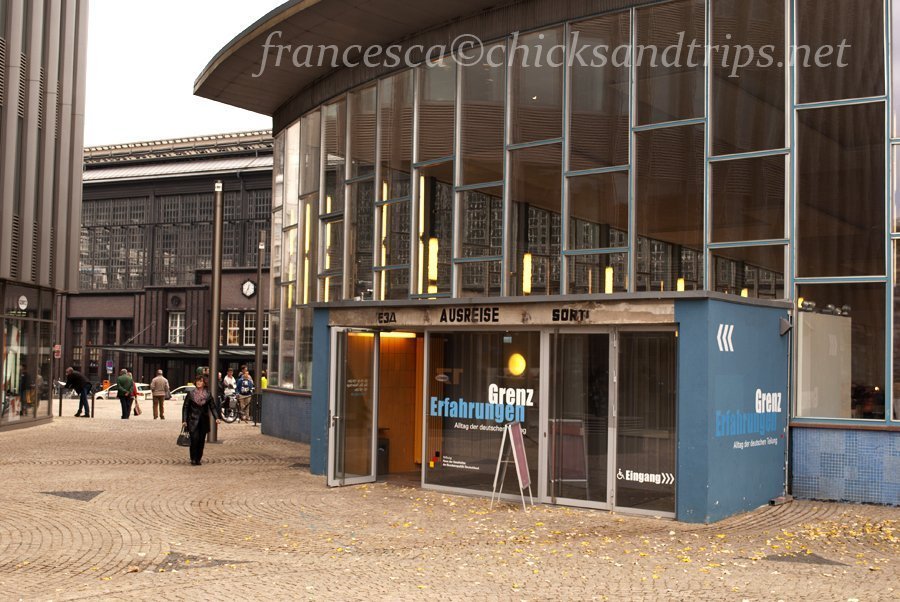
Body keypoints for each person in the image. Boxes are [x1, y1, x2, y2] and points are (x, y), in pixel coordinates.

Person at [181, 375, 222, 466]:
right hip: (192, 420)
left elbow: (212, 407)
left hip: (203, 421)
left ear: (204, 383)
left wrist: (217, 418)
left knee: (201, 441)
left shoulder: (208, 394)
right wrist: (184, 420)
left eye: (200, 381)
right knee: (194, 440)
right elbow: (185, 407)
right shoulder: (191, 394)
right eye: (197, 381)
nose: (199, 383)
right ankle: (193, 458)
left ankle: (198, 458)